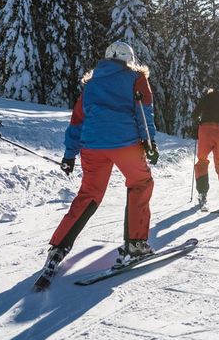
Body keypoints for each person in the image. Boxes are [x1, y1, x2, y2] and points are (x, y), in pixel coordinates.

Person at [35, 41, 159, 290]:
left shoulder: (90, 85)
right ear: (128, 59)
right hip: (125, 143)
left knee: (89, 194)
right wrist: (149, 142)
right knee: (140, 183)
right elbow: (144, 111)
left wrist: (70, 154)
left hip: (92, 146)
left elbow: (77, 120)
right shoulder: (136, 78)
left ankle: (58, 248)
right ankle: (135, 245)